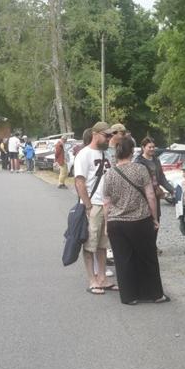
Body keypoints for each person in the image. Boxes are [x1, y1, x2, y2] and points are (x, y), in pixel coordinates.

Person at [103, 136, 168, 305]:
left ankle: (129, 296)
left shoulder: (109, 174)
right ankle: (154, 294)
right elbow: (151, 196)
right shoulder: (140, 169)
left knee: (123, 259)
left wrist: (106, 224)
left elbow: (106, 202)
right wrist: (154, 218)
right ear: (132, 151)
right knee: (148, 257)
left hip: (116, 222)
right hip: (139, 219)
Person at [74, 121, 114, 294]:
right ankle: (92, 280)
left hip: (106, 205)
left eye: (110, 135)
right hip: (93, 205)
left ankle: (102, 278)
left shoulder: (107, 154)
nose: (109, 138)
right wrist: (88, 206)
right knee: (90, 243)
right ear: (95, 134)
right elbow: (79, 182)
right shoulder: (84, 154)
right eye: (106, 135)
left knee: (102, 244)